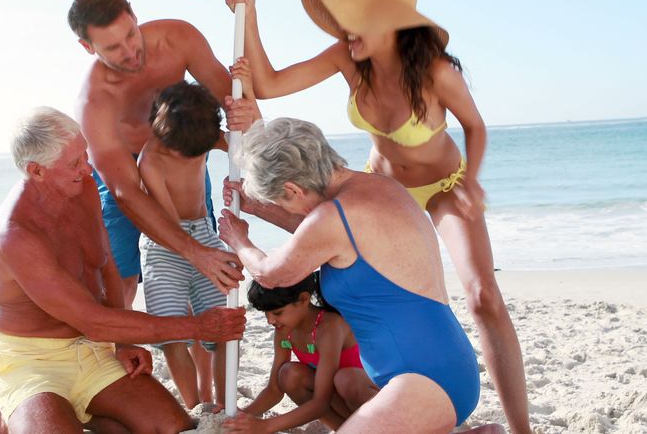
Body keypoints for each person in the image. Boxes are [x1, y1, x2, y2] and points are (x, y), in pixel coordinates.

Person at [224, 0, 532, 433]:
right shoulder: (349, 58)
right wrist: (249, 11)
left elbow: (474, 124)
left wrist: (473, 182)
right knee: (335, 252)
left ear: (392, 24)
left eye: (357, 22)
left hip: (443, 185)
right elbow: (269, 82)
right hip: (380, 181)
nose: (347, 34)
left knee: (482, 295)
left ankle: (521, 429)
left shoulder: (436, 72)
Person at [217, 116, 494, 433]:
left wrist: (239, 240)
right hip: (441, 363)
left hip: (423, 381)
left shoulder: (332, 216)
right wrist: (261, 208)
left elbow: (270, 274)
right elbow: (320, 239)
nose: (287, 209)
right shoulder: (377, 187)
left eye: (281, 201)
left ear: (293, 188)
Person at [0, 106, 246, 434]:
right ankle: (21, 413)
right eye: (75, 163)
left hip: (91, 350)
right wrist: (197, 327)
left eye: (85, 154)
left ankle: (82, 416)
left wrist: (122, 343)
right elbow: (92, 320)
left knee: (174, 427)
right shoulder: (16, 234)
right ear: (36, 171)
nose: (88, 167)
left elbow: (104, 264)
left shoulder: (85, 188)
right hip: (31, 362)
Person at [70, 0, 243, 306]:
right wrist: (195, 252)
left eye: (131, 35)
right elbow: (126, 192)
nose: (130, 51)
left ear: (134, 15)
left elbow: (234, 105)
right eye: (113, 47)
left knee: (198, 274)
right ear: (87, 46)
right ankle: (124, 349)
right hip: (123, 171)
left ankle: (201, 348)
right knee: (120, 278)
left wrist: (253, 165)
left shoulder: (178, 39)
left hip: (181, 155)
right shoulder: (94, 102)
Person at [137, 81, 233, 410]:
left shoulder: (197, 134)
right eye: (186, 152)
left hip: (203, 231)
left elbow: (241, 144)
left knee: (224, 327)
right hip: (165, 242)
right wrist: (197, 255)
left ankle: (224, 405)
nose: (194, 156)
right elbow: (165, 225)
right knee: (172, 335)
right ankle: (196, 410)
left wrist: (241, 181)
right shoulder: (150, 160)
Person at [224, 273, 377, 434]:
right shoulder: (284, 330)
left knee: (345, 379)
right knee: (289, 374)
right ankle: (345, 429)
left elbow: (321, 403)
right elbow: (274, 390)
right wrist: (240, 416)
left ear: (304, 299)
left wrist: (265, 426)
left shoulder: (329, 327)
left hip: (370, 396)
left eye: (277, 313)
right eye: (266, 313)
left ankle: (376, 429)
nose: (270, 320)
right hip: (340, 401)